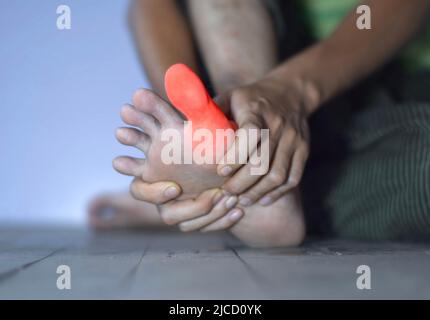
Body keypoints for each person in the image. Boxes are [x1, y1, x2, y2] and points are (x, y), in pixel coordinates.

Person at [89, 0, 430, 246]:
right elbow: (151, 5)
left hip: (381, 77)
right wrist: (190, 116)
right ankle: (234, 142)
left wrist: (291, 89)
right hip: (255, 55)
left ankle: (229, 195)